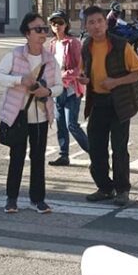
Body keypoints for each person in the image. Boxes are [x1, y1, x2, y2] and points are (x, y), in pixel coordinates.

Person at [0, 13, 63, 214]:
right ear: (27, 34)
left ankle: (38, 199)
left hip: (40, 117)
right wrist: (18, 80)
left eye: (44, 29)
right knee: (17, 157)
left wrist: (47, 92)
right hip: (17, 116)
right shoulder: (14, 55)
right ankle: (11, 198)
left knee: (38, 158)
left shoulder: (50, 60)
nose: (42, 33)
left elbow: (59, 86)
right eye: (37, 29)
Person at [78, 5, 138, 206]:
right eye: (91, 22)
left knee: (119, 148)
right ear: (86, 26)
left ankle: (122, 190)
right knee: (96, 147)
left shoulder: (120, 45)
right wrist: (84, 79)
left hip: (119, 103)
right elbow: (85, 72)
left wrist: (115, 82)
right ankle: (105, 188)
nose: (96, 26)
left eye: (99, 21)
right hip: (98, 102)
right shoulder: (86, 46)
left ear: (106, 23)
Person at [47, 9, 89, 166]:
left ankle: (95, 154)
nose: (57, 26)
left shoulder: (73, 43)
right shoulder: (52, 44)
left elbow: (79, 68)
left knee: (72, 124)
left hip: (71, 90)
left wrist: (61, 77)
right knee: (61, 124)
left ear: (66, 25)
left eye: (60, 23)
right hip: (58, 91)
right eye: (53, 23)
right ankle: (64, 155)